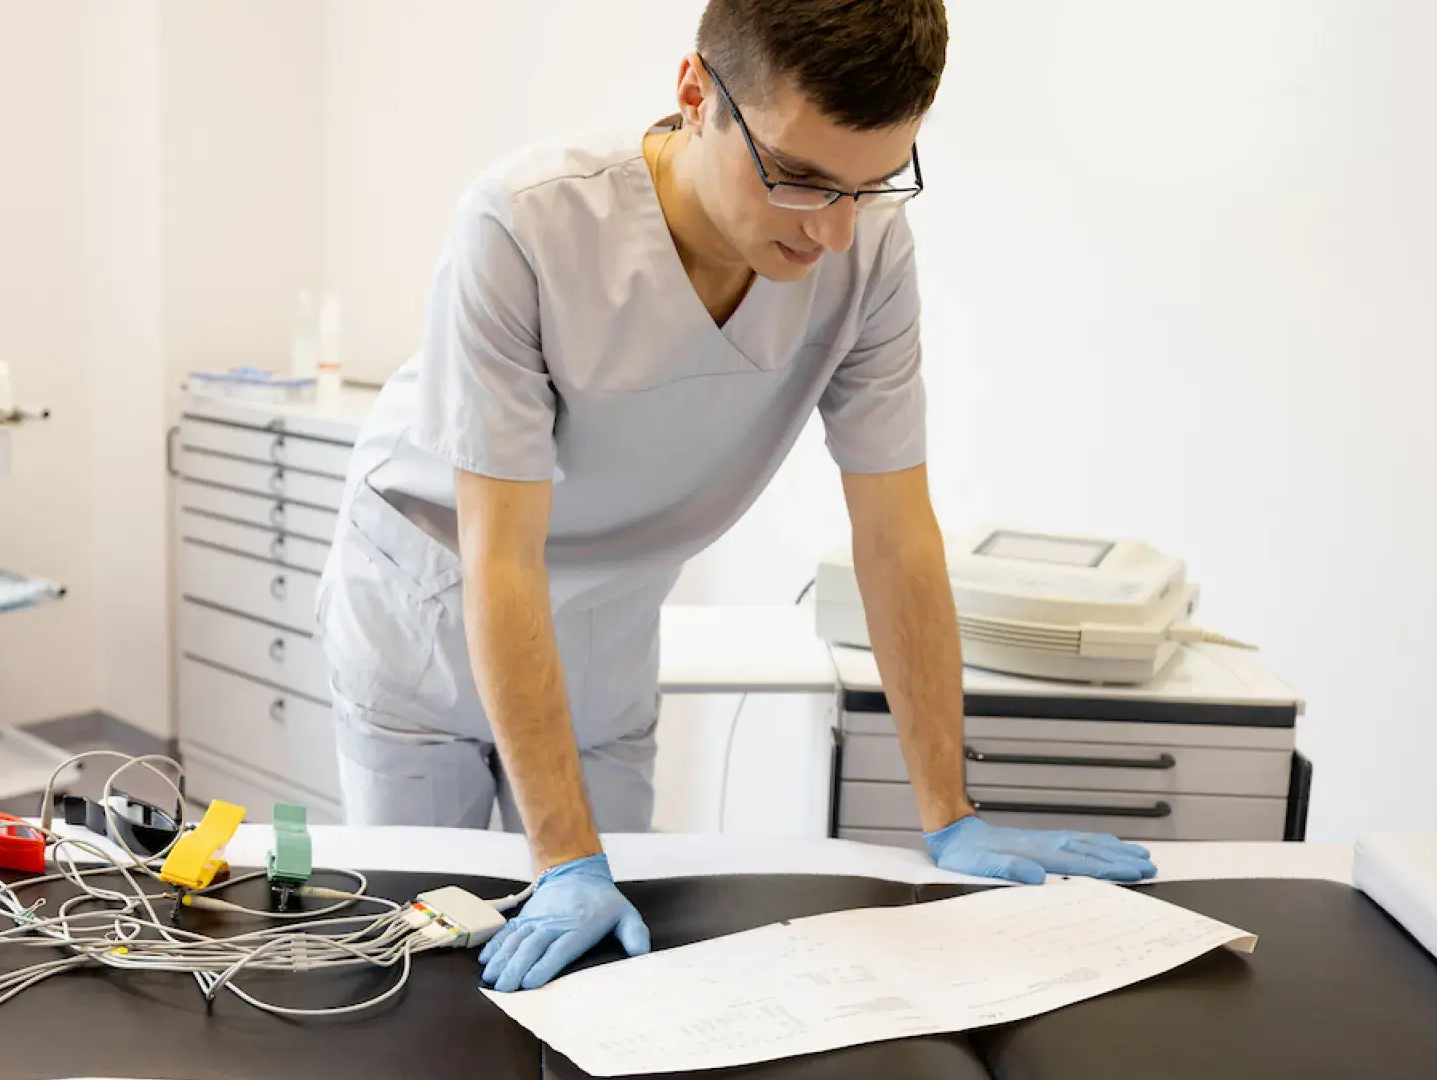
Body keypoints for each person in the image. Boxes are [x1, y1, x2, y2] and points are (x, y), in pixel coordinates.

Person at [314, 0, 1156, 993]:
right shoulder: (527, 223)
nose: (834, 232)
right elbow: (501, 557)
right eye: (799, 179)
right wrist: (564, 859)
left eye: (871, 184)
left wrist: (947, 811)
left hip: (611, 618)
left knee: (608, 970)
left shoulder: (870, 251)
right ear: (695, 94)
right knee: (428, 955)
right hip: (434, 600)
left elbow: (895, 535)